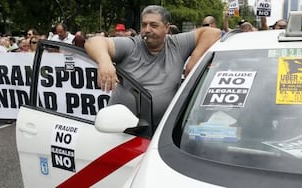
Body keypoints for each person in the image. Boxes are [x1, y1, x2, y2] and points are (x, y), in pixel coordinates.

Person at [85, 5, 221, 126]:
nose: (147, 30)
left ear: (167, 28)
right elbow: (93, 42)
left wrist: (195, 60)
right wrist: (104, 61)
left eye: (153, 25)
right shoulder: (131, 45)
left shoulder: (177, 45)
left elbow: (213, 33)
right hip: (123, 133)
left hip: (160, 134)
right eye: (144, 25)